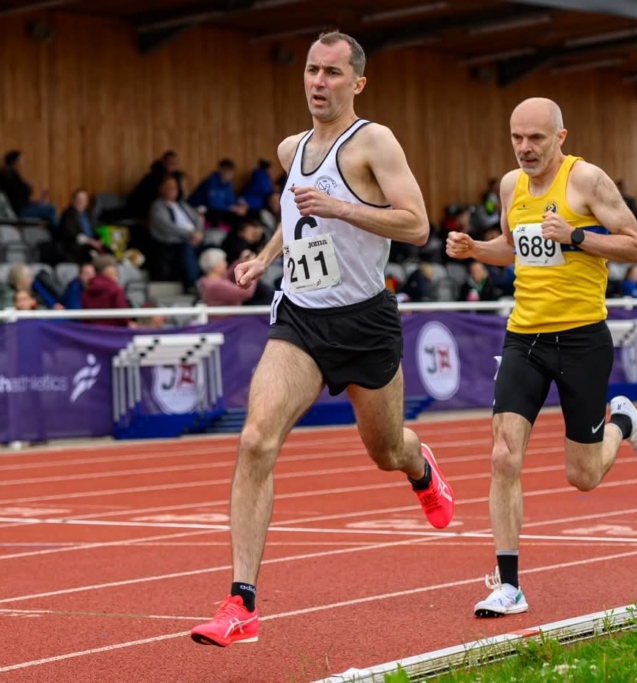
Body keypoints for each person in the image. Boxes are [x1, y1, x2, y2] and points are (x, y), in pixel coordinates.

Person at [189, 30, 455, 648]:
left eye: (332, 73)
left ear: (357, 82)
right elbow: (297, 216)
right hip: (301, 320)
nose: (318, 82)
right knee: (255, 440)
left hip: (365, 322)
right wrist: (263, 258)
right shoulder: (292, 148)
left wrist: (343, 208)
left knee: (386, 450)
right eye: (312, 70)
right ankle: (241, 604)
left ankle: (420, 468)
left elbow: (418, 225)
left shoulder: (375, 142)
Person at [445, 97, 637, 619]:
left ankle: (623, 423)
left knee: (582, 476)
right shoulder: (510, 186)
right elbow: (512, 247)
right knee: (503, 455)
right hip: (525, 338)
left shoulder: (586, 180)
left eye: (535, 138)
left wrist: (577, 237)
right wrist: (476, 249)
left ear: (560, 137)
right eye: (516, 137)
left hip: (583, 340)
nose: (524, 148)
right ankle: (509, 586)